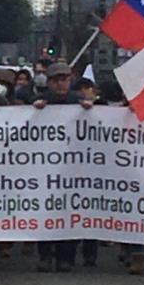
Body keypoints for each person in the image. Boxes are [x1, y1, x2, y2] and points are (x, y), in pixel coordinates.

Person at [33, 62, 94, 272]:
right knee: (45, 211)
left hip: (72, 170)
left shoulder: (79, 102)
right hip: (45, 169)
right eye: (56, 80)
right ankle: (45, 254)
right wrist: (34, 110)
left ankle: (65, 256)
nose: (61, 84)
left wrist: (90, 110)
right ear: (49, 83)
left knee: (70, 212)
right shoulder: (39, 103)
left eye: (65, 79)